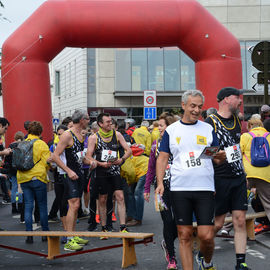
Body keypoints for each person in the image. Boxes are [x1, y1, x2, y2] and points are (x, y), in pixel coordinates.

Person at [156, 90, 224, 270]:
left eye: (200, 106)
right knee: (184, 234)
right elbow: (162, 157)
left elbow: (216, 156)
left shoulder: (208, 129)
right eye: (193, 106)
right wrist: (160, 183)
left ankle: (206, 261)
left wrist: (221, 155)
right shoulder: (172, 130)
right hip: (179, 188)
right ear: (183, 105)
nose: (196, 110)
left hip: (205, 188)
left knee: (206, 235)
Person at [205, 87, 250, 270]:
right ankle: (204, 252)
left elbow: (237, 148)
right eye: (237, 98)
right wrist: (219, 154)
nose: (240, 101)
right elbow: (203, 152)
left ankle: (241, 263)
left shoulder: (238, 121)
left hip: (238, 177)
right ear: (225, 99)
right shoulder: (210, 122)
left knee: (240, 220)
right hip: (220, 178)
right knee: (218, 224)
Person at [85, 113, 132, 235]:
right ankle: (104, 227)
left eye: (111, 121)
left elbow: (129, 150)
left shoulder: (117, 135)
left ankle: (123, 227)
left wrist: (121, 159)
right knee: (103, 199)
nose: (110, 123)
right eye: (107, 122)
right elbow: (88, 156)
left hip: (115, 170)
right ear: (100, 124)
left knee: (120, 197)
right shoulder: (94, 138)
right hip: (101, 172)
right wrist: (100, 164)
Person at [52, 110, 90, 251]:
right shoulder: (68, 135)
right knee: (73, 205)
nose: (89, 121)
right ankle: (68, 239)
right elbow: (55, 156)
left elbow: (78, 156)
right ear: (82, 120)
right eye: (88, 118)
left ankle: (73, 235)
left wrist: (90, 161)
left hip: (79, 173)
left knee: (76, 205)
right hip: (69, 175)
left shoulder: (81, 134)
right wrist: (68, 171)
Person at [144, 112, 178, 270]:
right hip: (160, 189)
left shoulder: (179, 142)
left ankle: (167, 242)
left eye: (161, 126)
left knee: (179, 223)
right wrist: (146, 188)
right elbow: (151, 167)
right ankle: (172, 257)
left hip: (179, 187)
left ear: (170, 126)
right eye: (158, 126)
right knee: (167, 221)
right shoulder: (155, 145)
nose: (159, 129)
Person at [17, 121, 51, 244]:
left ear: (28, 131)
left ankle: (29, 235)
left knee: (28, 206)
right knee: (42, 206)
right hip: (38, 177)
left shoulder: (21, 144)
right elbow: (48, 162)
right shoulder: (41, 144)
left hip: (24, 178)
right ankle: (44, 234)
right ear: (40, 132)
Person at [240, 118, 270, 232]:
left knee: (239, 200)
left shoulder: (245, 137)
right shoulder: (269, 136)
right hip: (266, 174)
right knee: (268, 203)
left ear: (249, 126)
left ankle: (227, 227)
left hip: (248, 174)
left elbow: (238, 153)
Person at [4, 131, 24, 214]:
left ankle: (13, 207)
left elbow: (7, 160)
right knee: (20, 189)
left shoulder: (11, 146)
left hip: (12, 170)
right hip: (21, 169)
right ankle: (20, 206)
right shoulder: (23, 145)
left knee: (14, 189)